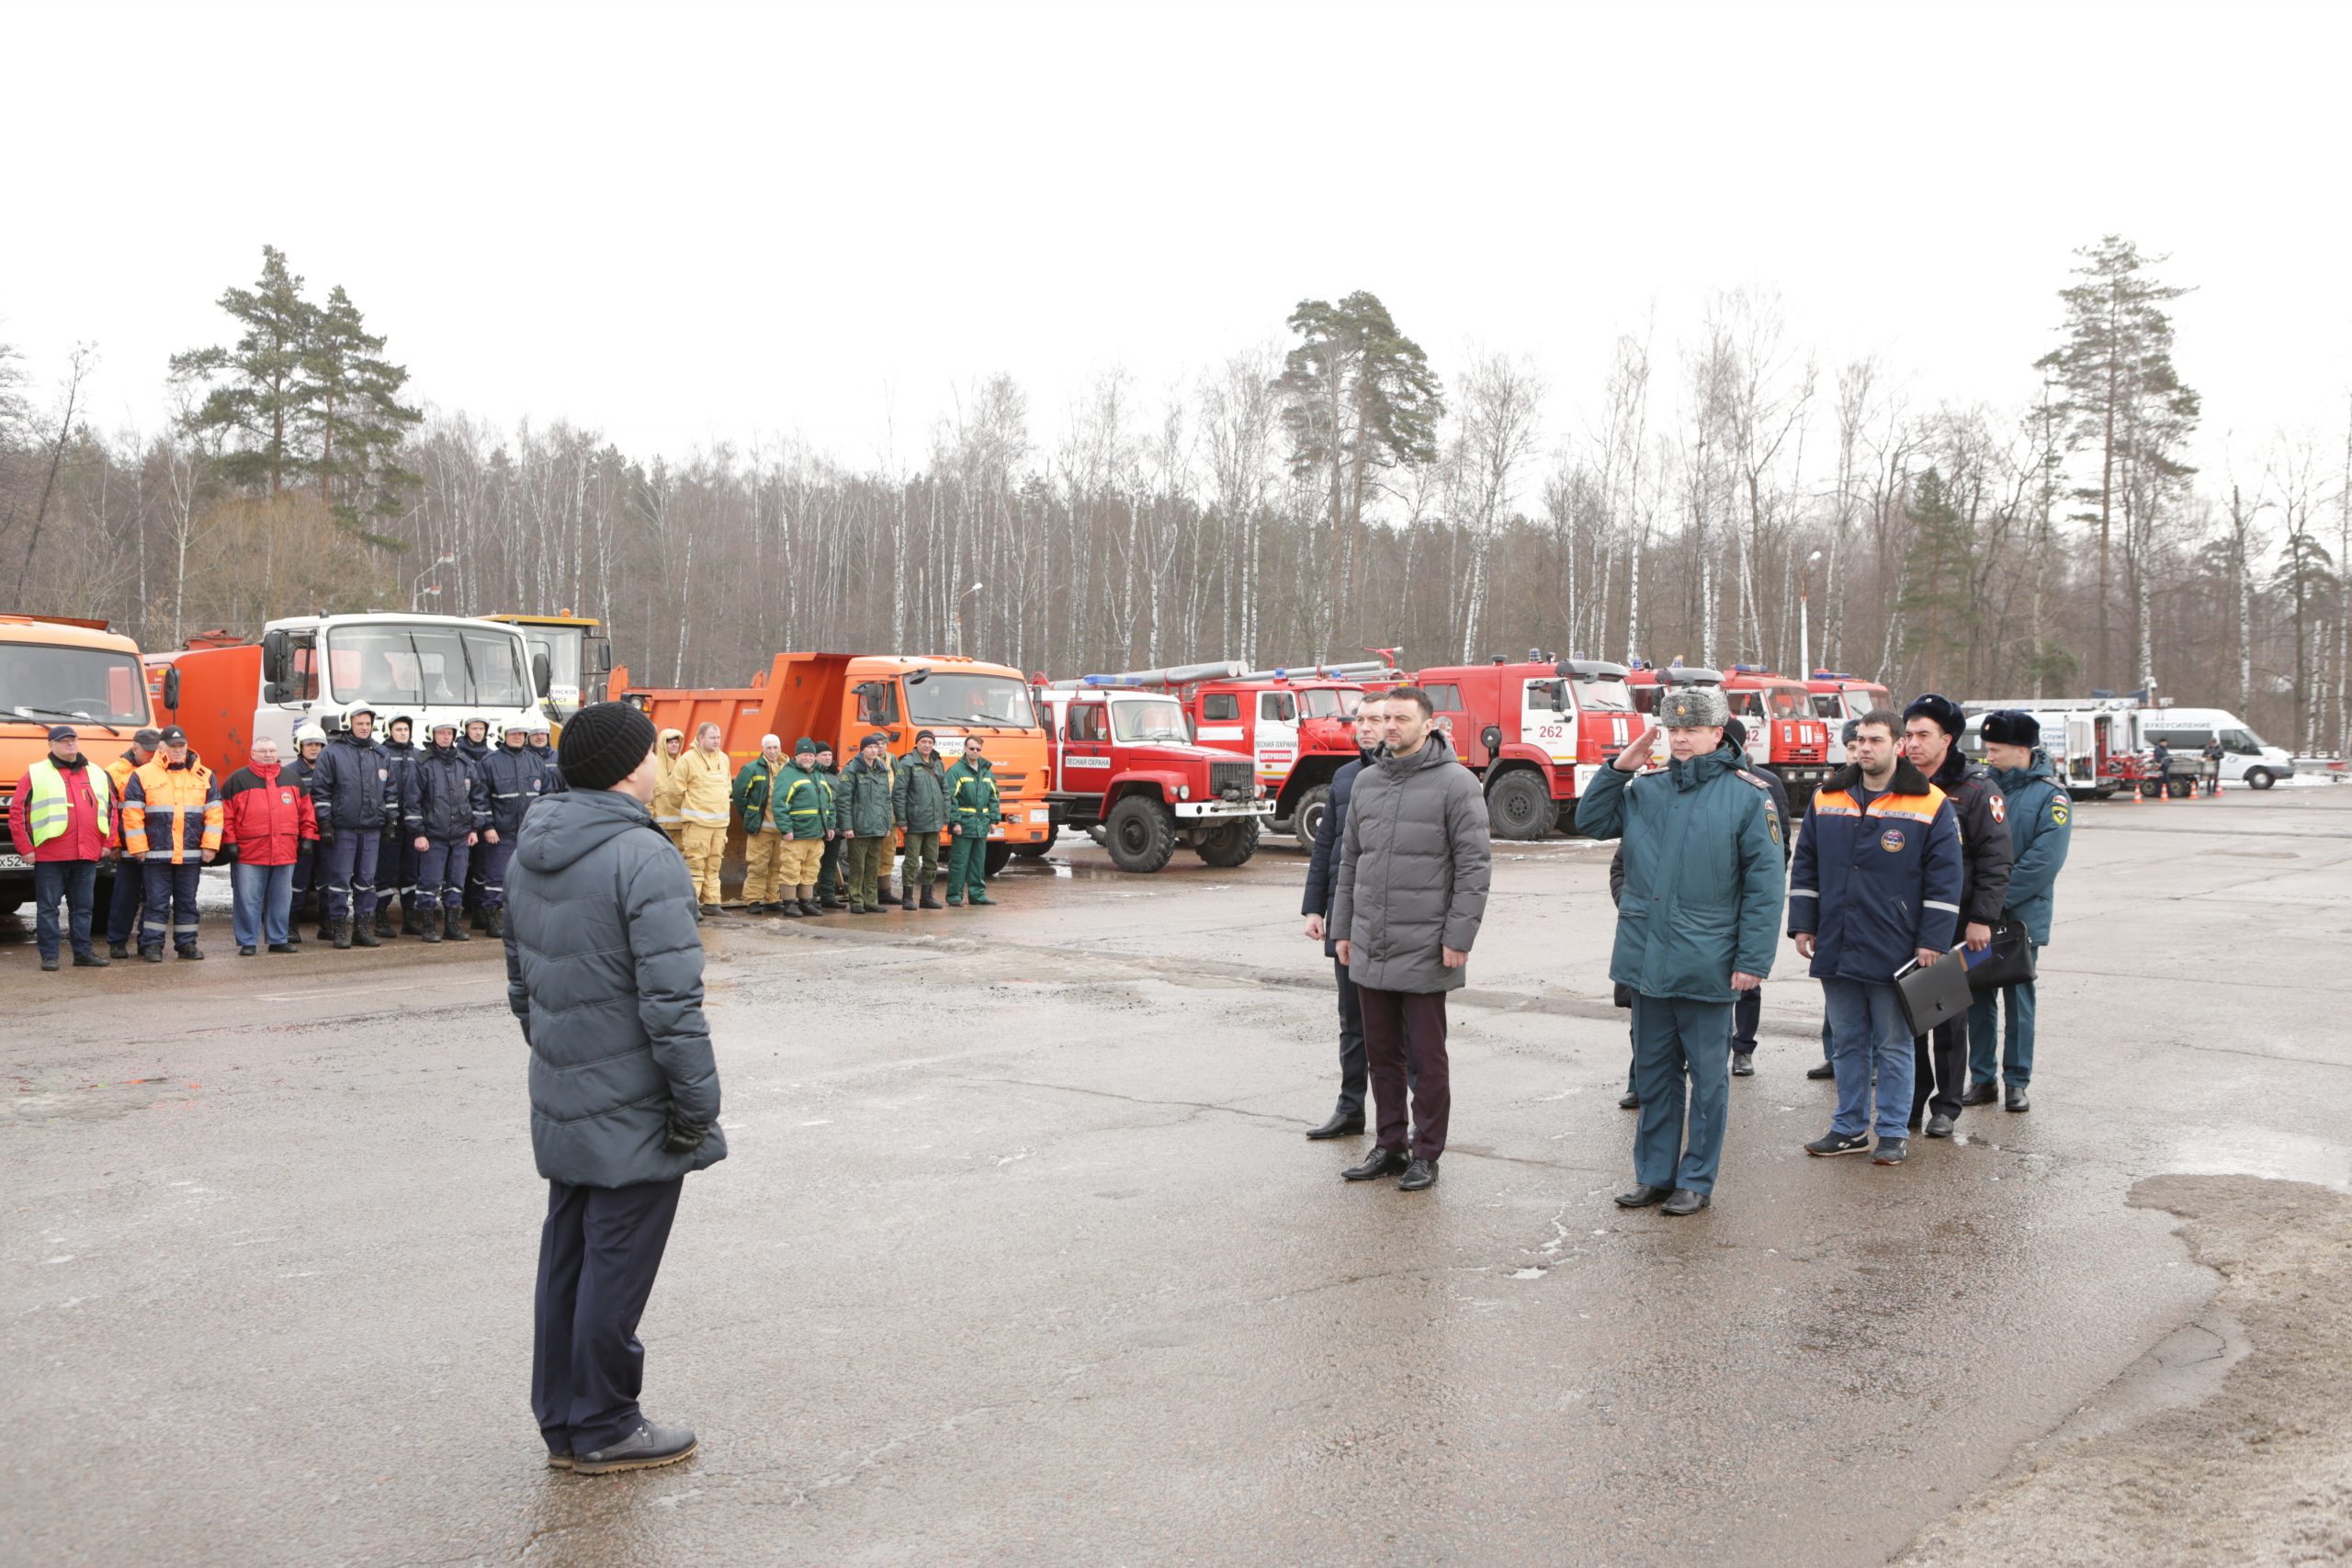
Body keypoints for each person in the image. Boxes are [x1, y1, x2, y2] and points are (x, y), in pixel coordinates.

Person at [506, 701, 724, 1477]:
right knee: (615, 1266)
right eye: (652, 752)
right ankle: (603, 1422)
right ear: (633, 767)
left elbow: (523, 988)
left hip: (567, 1092)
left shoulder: (533, 847)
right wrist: (697, 1104)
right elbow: (672, 1004)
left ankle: (565, 1417)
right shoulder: (642, 854)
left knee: (568, 1258)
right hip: (635, 1104)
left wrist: (569, 1060)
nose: (661, 761)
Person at [1579, 689, 1783, 1215]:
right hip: (1648, 957)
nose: (1683, 739)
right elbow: (1590, 822)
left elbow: (1765, 888)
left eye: (1693, 730)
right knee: (1653, 1073)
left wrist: (1752, 961)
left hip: (1708, 959)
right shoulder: (1645, 789)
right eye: (1674, 731)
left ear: (1719, 734)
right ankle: (1655, 1174)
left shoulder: (1749, 796)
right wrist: (1621, 765)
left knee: (1708, 1080)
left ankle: (1696, 1179)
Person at [1329, 688, 1492, 1192]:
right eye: (1387, 718)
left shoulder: (1457, 783)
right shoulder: (1367, 782)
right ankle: (1389, 1143)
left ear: (1428, 724)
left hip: (1427, 943)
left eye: (1403, 717)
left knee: (1426, 1054)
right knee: (1381, 1053)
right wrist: (1343, 928)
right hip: (1370, 941)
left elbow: (1474, 867)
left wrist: (1458, 934)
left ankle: (1427, 1152)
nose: (1392, 725)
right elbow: (1351, 861)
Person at [1789, 709, 1964, 1166]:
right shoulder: (1827, 797)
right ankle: (1848, 1128)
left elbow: (1946, 880)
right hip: (1837, 940)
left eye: (1876, 740)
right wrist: (1803, 922)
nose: (1866, 748)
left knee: (1893, 1043)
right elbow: (1805, 862)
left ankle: (1890, 1132)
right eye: (1860, 740)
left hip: (1898, 946)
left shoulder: (1929, 802)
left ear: (1897, 746)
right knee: (1847, 1042)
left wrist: (1933, 940)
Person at [1901, 694, 2012, 1138]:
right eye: (1907, 735)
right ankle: (1909, 1096)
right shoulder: (1897, 784)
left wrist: (1982, 918)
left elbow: (1997, 860)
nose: (1912, 744)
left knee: (1947, 1016)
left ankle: (1945, 1105)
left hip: (1955, 922)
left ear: (1947, 739)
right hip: (1903, 922)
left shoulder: (1975, 789)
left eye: (1922, 735)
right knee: (1907, 1020)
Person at [1967, 712, 2072, 1113]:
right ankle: (1981, 1079)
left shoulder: (2052, 797)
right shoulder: (1984, 788)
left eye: (1995, 749)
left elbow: (2045, 860)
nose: (1988, 755)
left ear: (2023, 750)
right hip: (1980, 914)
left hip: (2020, 916)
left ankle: (2016, 1082)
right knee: (1977, 996)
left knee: (2019, 999)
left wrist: (1993, 899)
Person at [1298, 703, 1383, 1138]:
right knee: (1352, 1021)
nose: (1364, 729)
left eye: (1374, 720)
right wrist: (1316, 907)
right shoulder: (1345, 778)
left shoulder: (1414, 779)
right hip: (1344, 917)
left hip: (1390, 921)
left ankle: (1403, 1122)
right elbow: (1326, 846)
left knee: (1398, 1030)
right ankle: (1351, 1108)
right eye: (1360, 721)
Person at [9, 725, 114, 971]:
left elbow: (111, 809)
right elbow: (18, 814)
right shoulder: (35, 774)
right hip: (50, 855)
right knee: (48, 908)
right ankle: (50, 956)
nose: (70, 745)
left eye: (73, 740)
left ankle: (83, 953)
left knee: (84, 907)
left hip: (86, 854)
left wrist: (107, 843)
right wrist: (26, 848)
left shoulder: (97, 772)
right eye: (64, 741)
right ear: (51, 745)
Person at [1720, 716, 1790, 1077]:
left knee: (1747, 982)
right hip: (1715, 902)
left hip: (1748, 900)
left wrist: (1764, 891)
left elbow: (1780, 846)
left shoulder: (1766, 784)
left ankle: (1743, 1048)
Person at [121, 725, 223, 962]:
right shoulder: (143, 774)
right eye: (173, 746)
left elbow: (214, 813)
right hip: (156, 854)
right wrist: (138, 848)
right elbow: (133, 814)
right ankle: (152, 946)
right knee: (156, 903)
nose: (178, 750)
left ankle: (186, 945)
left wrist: (210, 845)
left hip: (189, 853)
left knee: (187, 902)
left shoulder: (204, 775)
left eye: (181, 746)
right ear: (161, 747)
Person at [310, 703, 397, 950]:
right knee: (338, 880)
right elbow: (321, 791)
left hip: (372, 829)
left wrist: (391, 820)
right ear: (349, 724)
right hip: (342, 829)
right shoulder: (332, 753)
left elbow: (390, 792)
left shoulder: (381, 754)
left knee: (367, 880)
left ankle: (361, 928)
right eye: (360, 723)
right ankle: (338, 927)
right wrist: (325, 822)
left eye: (368, 724)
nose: (364, 728)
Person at [219, 736, 317, 955]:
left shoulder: (292, 778)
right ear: (252, 754)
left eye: (272, 750)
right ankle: (248, 942)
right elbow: (225, 816)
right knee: (247, 899)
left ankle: (278, 939)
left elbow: (307, 812)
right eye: (262, 751)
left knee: (281, 898)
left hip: (284, 850)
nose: (268, 754)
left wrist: (308, 837)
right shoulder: (237, 780)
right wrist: (230, 842)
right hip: (249, 852)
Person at [410, 719, 487, 942]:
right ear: (432, 734)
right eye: (441, 733)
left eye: (449, 733)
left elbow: (478, 798)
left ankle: (452, 926)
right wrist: (419, 833)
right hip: (433, 836)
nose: (445, 737)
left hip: (461, 835)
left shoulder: (464, 762)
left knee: (457, 881)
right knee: (429, 883)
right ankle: (428, 926)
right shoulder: (423, 763)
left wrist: (474, 829)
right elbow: (413, 802)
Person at [477, 720, 549, 940]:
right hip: (502, 833)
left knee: (529, 880)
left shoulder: (536, 762)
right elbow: (480, 798)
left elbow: (547, 797)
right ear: (503, 734)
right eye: (513, 733)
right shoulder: (490, 762)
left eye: (521, 733)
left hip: (530, 832)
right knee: (497, 878)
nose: (518, 736)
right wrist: (488, 826)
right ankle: (491, 917)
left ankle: (524, 922)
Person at [103, 727, 162, 960]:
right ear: (134, 747)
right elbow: (110, 811)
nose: (151, 755)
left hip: (156, 846)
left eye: (155, 750)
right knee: (124, 897)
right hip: (127, 846)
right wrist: (116, 844)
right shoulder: (114, 772)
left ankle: (147, 943)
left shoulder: (160, 768)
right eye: (147, 751)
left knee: (154, 898)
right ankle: (117, 942)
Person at [673, 722, 734, 918]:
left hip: (720, 824)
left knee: (714, 864)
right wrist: (691, 809)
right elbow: (675, 791)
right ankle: (692, 905)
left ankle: (712, 902)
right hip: (697, 823)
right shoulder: (687, 760)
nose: (717, 741)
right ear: (700, 738)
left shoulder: (723, 759)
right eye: (712, 738)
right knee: (695, 865)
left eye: (718, 738)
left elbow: (727, 787)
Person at [835, 731, 898, 915]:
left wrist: (887, 825)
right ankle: (856, 901)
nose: (874, 750)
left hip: (878, 827)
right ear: (862, 750)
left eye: (876, 747)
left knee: (873, 866)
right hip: (859, 827)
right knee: (858, 866)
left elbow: (886, 801)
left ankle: (871, 901)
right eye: (870, 747)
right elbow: (844, 800)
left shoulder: (882, 770)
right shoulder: (851, 770)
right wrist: (847, 827)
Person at [770, 737, 831, 917]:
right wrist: (786, 829)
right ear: (796, 756)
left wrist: (830, 825)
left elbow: (828, 803)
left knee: (811, 869)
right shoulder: (787, 775)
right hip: (797, 834)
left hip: (816, 834)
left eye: (811, 755)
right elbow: (780, 804)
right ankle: (789, 903)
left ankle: (806, 902)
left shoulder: (819, 775)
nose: (808, 758)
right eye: (804, 754)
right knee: (790, 869)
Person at [730, 736, 791, 914]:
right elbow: (739, 795)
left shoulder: (788, 769)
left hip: (781, 830)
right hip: (762, 830)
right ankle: (753, 899)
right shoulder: (752, 769)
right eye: (769, 748)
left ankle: (772, 898)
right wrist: (751, 817)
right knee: (758, 866)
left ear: (780, 748)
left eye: (776, 747)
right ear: (762, 749)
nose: (773, 751)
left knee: (777, 866)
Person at [892, 728, 950, 910]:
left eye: (930, 742)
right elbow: (899, 794)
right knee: (911, 861)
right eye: (923, 742)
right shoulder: (907, 763)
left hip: (934, 822)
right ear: (917, 743)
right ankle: (907, 897)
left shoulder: (938, 763)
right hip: (914, 822)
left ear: (933, 745)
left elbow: (945, 791)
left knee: (932, 860)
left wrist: (945, 816)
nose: (926, 745)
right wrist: (902, 821)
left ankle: (927, 897)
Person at [944, 736, 1001, 907]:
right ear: (965, 749)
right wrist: (955, 822)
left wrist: (993, 820)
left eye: (978, 749)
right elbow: (950, 799)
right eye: (971, 748)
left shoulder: (986, 771)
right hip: (964, 825)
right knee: (959, 863)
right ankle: (954, 896)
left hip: (981, 825)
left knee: (978, 863)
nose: (975, 751)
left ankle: (977, 896)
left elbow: (994, 797)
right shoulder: (956, 771)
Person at [284, 722, 328, 944]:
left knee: (326, 881)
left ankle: (327, 925)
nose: (314, 749)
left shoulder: (330, 769)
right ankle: (291, 926)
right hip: (301, 838)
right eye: (309, 744)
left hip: (326, 835)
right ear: (299, 746)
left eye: (318, 745)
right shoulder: (289, 773)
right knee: (297, 882)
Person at [812, 742, 847, 909]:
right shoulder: (811, 773)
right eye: (823, 754)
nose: (827, 757)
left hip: (835, 826)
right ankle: (810, 897)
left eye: (829, 754)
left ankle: (827, 896)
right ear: (815, 757)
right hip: (817, 827)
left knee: (830, 863)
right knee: (812, 863)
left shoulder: (835, 775)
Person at [650, 728, 687, 848]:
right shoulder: (653, 766)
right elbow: (647, 797)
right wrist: (649, 821)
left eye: (676, 742)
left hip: (682, 826)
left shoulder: (684, 764)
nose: (674, 745)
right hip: (661, 827)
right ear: (662, 744)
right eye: (670, 742)